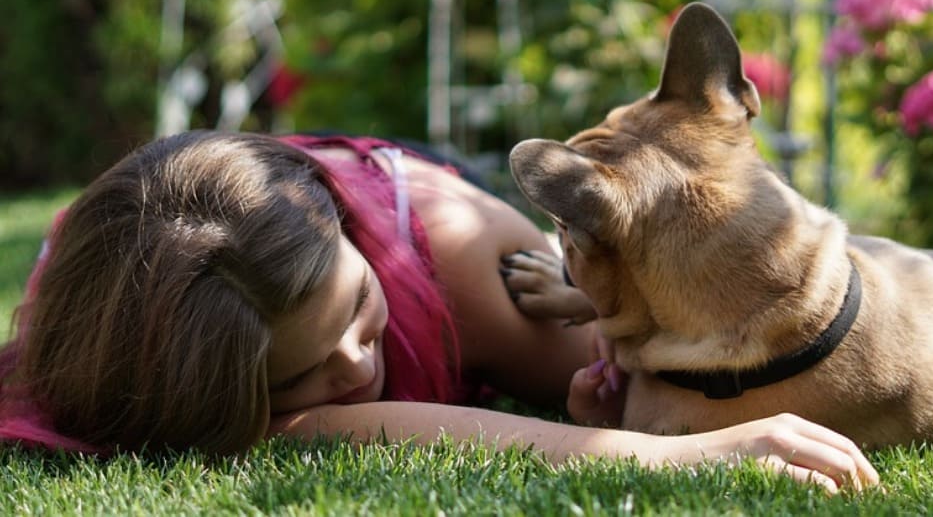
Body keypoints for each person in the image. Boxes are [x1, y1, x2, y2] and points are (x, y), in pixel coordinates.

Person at [0, 130, 878, 493]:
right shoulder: (139, 334)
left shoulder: (464, 257)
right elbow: (316, 431)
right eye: (298, 374)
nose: (352, 366)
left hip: (421, 198)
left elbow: (730, 356)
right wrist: (670, 459)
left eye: (354, 306)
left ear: (351, 234)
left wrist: (650, 408)